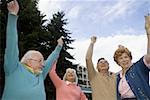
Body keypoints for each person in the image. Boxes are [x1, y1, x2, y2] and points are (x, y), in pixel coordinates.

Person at [2, 0, 63, 100]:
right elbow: (11, 44)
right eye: (40, 61)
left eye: (43, 61)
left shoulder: (40, 74)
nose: (43, 64)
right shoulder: (13, 68)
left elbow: (51, 60)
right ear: (28, 61)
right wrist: (12, 15)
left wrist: (59, 46)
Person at [114, 15, 150, 100]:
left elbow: (149, 55)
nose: (124, 60)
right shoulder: (117, 76)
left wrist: (148, 32)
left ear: (130, 58)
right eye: (121, 58)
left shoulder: (139, 67)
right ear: (117, 62)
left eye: (126, 57)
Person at [85, 36, 116, 100]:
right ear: (97, 67)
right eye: (100, 62)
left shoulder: (115, 77)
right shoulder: (93, 76)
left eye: (105, 62)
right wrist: (92, 43)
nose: (103, 63)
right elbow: (88, 59)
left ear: (109, 66)